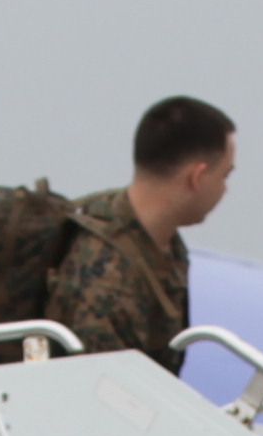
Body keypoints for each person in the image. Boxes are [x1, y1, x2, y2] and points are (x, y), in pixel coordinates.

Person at [44, 97, 238, 373]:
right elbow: (99, 386)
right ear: (197, 176)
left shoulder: (163, 246)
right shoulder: (105, 268)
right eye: (224, 176)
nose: (224, 190)